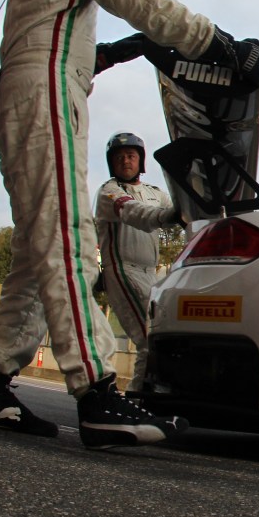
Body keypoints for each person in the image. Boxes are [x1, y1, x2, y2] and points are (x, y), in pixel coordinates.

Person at [0, 0, 259, 448]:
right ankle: (97, 393)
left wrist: (117, 52)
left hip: (35, 94)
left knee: (38, 255)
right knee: (68, 245)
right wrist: (227, 47)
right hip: (46, 99)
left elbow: (59, 37)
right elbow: (143, 2)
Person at [95, 132, 177, 394]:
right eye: (119, 157)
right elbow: (135, 213)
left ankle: (151, 393)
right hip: (122, 271)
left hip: (150, 273)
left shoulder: (155, 193)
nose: (125, 161)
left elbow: (182, 208)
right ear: (112, 164)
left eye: (131, 156)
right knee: (148, 338)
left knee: (161, 334)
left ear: (140, 160)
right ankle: (138, 397)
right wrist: (169, 216)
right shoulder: (109, 192)